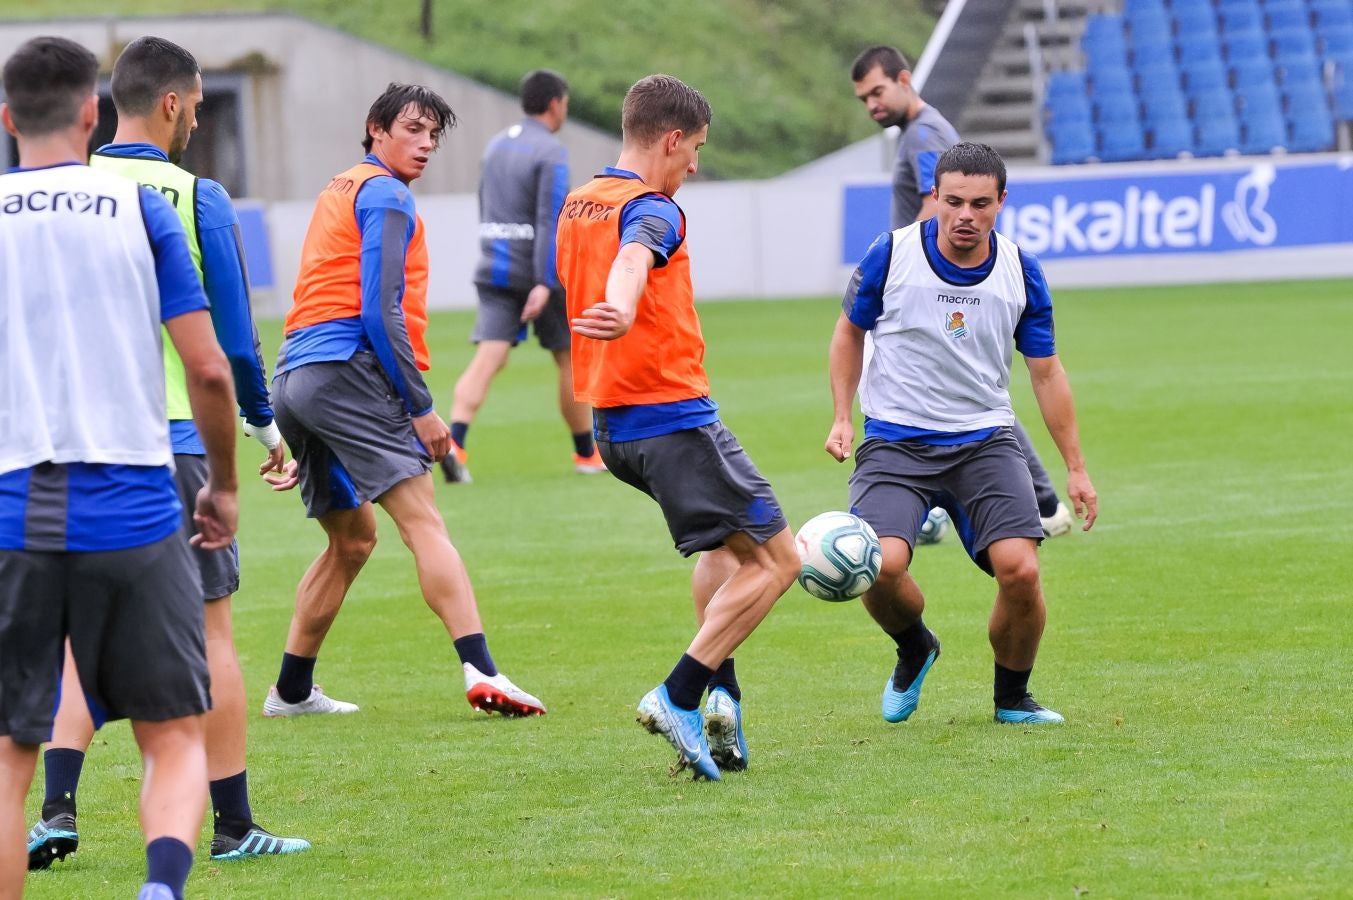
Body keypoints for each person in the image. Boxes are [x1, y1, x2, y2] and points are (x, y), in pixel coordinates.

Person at [23, 37, 310, 871]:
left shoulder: (62, 190)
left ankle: (56, 808)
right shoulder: (192, 196)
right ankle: (233, 825)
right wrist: (265, 431)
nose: (198, 122)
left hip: (66, 446)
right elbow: (230, 343)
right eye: (199, 106)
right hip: (175, 441)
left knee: (72, 637)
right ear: (175, 103)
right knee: (210, 633)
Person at [0, 35, 238, 899]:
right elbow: (209, 369)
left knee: (10, 756)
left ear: (7, 119)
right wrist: (224, 485)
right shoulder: (140, 208)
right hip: (135, 502)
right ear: (91, 113)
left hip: (15, 505)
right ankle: (160, 888)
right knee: (173, 735)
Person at [262, 82, 546, 720]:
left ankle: (292, 691)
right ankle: (483, 670)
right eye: (413, 129)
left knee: (352, 540)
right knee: (423, 522)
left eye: (433, 136)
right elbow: (379, 309)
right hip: (346, 372)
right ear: (377, 127)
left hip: (296, 378)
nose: (425, 145)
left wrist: (300, 425)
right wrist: (420, 407)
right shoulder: (387, 194)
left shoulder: (341, 187)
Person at [555, 74, 800, 781]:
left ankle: (722, 701)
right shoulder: (654, 208)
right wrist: (626, 305)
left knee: (724, 551)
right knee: (779, 560)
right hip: (669, 416)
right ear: (669, 140)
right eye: (694, 148)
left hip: (613, 425)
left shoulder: (580, 202)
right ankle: (681, 693)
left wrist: (620, 307)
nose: (693, 164)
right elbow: (635, 256)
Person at [825, 142, 1098, 726]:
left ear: (1002, 201)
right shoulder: (891, 253)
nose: (965, 215)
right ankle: (915, 646)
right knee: (879, 566)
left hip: (984, 441)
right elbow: (848, 333)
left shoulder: (1021, 270)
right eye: (952, 202)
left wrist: (1076, 468)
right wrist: (843, 416)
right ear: (935, 198)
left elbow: (1046, 372)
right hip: (895, 440)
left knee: (1021, 571)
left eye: (979, 203)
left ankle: (1013, 698)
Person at [850, 45, 1075, 540]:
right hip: (926, 284)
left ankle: (1035, 500)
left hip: (928, 286)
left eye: (878, 91)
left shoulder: (924, 134)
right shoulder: (919, 131)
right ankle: (1033, 500)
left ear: (904, 80)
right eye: (864, 98)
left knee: (970, 397)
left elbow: (936, 208)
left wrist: (909, 270)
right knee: (967, 393)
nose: (872, 104)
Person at [442, 69, 604, 483]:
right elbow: (551, 218)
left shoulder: (496, 145)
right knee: (568, 356)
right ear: (555, 104)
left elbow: (485, 204)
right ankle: (586, 454)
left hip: (494, 265)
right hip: (537, 270)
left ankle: (455, 443)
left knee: (489, 357)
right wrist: (544, 281)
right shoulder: (551, 151)